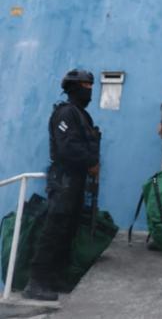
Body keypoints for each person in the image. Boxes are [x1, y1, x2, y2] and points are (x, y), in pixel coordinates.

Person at [23, 69, 101, 301]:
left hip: (76, 181)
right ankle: (35, 282)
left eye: (91, 86)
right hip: (64, 179)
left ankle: (53, 277)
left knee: (68, 229)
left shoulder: (82, 116)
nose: (89, 91)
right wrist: (90, 162)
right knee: (54, 229)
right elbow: (68, 148)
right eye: (85, 86)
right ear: (73, 88)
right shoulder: (66, 113)